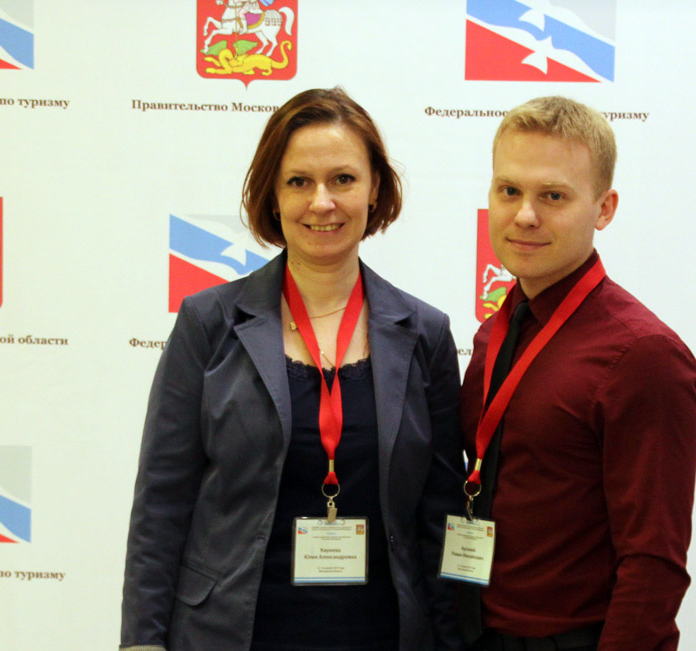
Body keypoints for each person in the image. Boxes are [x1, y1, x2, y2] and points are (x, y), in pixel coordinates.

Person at [121, 88, 464, 651]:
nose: (321, 202)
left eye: (343, 179)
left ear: (375, 189)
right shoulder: (208, 324)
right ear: (274, 197)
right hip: (229, 634)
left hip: (380, 634)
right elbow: (161, 503)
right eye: (299, 181)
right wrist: (142, 641)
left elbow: (440, 515)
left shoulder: (425, 334)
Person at [458, 96, 696, 650]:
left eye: (553, 196)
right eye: (509, 190)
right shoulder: (498, 329)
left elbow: (654, 563)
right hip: (474, 632)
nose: (525, 215)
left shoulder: (644, 356)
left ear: (604, 208)